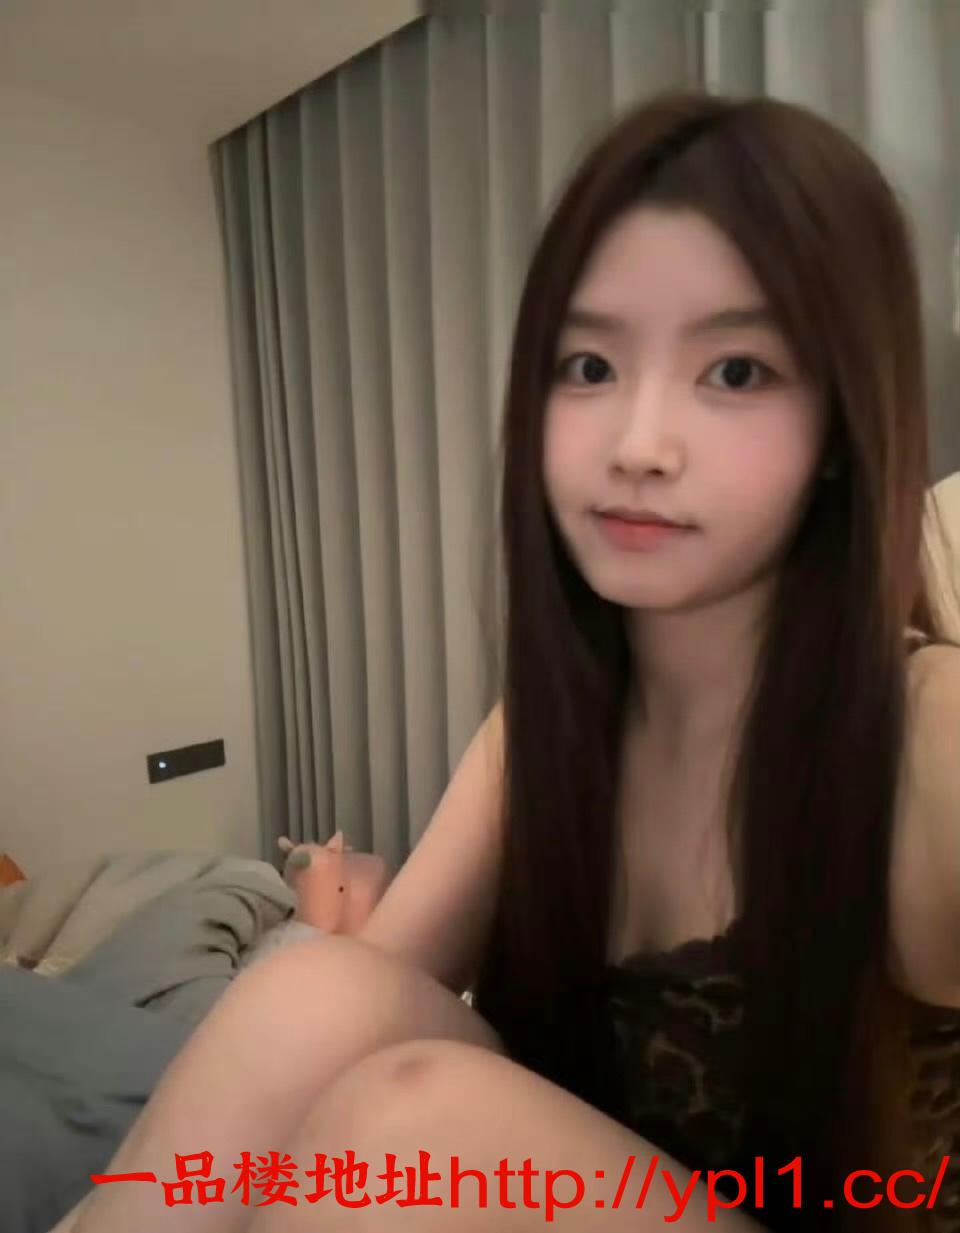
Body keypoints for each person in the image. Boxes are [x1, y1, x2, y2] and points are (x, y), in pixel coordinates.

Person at [64, 90, 960, 1233]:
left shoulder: (926, 740)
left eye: (735, 372)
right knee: (308, 994)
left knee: (406, 1127)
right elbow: (355, 1006)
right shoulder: (547, 736)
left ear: (840, 431)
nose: (637, 445)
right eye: (587, 365)